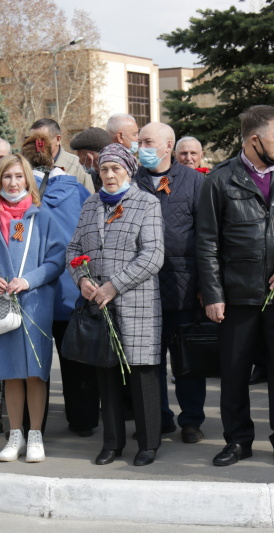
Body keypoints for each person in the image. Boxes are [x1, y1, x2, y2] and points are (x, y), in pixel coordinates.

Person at [198, 105, 274, 469]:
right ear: (255, 139)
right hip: (237, 297)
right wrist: (214, 294)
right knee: (234, 373)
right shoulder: (219, 180)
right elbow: (206, 241)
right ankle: (238, 440)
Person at [67, 143, 165, 466]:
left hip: (135, 303)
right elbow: (74, 249)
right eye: (104, 169)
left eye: (116, 169)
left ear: (128, 171)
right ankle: (112, 443)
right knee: (106, 373)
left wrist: (113, 285)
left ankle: (149, 443)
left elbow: (152, 255)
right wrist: (82, 280)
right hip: (99, 305)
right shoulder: (91, 204)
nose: (109, 175)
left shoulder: (146, 203)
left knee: (141, 373)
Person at [0, 153, 66, 462]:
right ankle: (15, 434)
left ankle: (36, 434)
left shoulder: (41, 216)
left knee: (35, 372)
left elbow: (56, 260)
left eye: (19, 176)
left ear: (28, 180)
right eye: (7, 177)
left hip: (33, 305)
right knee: (9, 373)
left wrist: (29, 280)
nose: (13, 182)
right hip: (1, 306)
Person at [134, 122, 206, 443]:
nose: (142, 148)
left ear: (168, 145)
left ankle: (191, 419)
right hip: (142, 289)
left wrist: (207, 285)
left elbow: (207, 236)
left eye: (148, 142)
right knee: (151, 360)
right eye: (140, 142)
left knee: (186, 360)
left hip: (184, 285)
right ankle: (158, 417)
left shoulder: (193, 182)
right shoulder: (132, 183)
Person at [22, 133, 96, 437]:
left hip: (33, 290)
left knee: (32, 361)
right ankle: (84, 420)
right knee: (76, 358)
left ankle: (29, 425)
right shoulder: (76, 189)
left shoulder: (20, 194)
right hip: (71, 287)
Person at [29, 118, 94, 193]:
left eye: (43, 140)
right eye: (32, 140)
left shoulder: (77, 165)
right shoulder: (25, 165)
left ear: (58, 139)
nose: (37, 145)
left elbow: (89, 199)